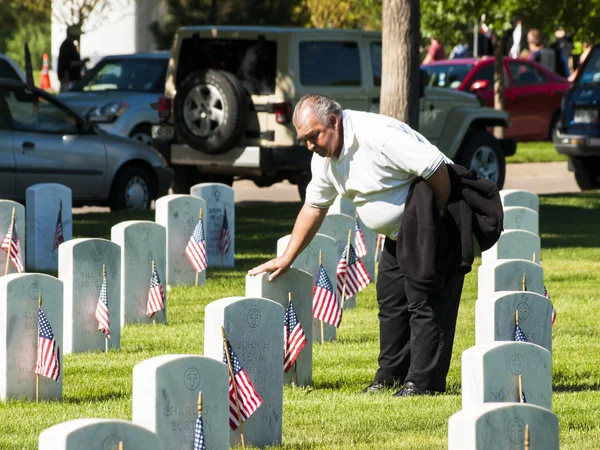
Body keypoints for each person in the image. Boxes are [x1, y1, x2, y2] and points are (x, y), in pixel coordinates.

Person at [248, 95, 469, 396]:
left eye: (313, 136)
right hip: (399, 233)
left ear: (334, 122)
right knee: (391, 301)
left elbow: (434, 168)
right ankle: (389, 376)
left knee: (424, 301)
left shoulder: (377, 135)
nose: (310, 146)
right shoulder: (325, 158)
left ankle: (422, 384)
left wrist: (440, 216)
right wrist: (288, 256)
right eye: (304, 140)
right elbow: (314, 207)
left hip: (432, 222)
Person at [58, 25, 89, 93]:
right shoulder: (67, 45)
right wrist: (82, 62)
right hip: (68, 80)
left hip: (70, 79)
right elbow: (69, 63)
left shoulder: (69, 44)